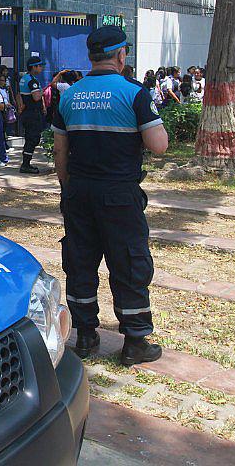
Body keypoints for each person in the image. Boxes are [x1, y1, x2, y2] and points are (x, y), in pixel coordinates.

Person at [52, 26, 169, 366]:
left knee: (80, 263)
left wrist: (67, 189)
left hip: (79, 192)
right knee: (129, 263)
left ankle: (86, 337)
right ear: (121, 55)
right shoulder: (134, 93)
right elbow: (158, 146)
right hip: (119, 195)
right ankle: (134, 342)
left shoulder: (70, 95)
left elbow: (60, 151)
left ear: (91, 56)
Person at [17, 56, 45, 174]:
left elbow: (19, 94)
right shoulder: (32, 81)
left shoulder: (24, 78)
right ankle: (25, 165)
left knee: (30, 138)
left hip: (27, 113)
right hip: (32, 114)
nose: (41, 68)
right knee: (33, 138)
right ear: (33, 67)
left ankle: (26, 163)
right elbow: (36, 97)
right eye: (40, 66)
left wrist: (20, 106)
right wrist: (43, 90)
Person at [0, 73, 15, 152]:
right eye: (0, 80)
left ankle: (4, 145)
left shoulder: (5, 89)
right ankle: (3, 146)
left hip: (5, 110)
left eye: (3, 81)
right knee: (1, 129)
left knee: (3, 129)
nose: (1, 82)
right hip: (0, 111)